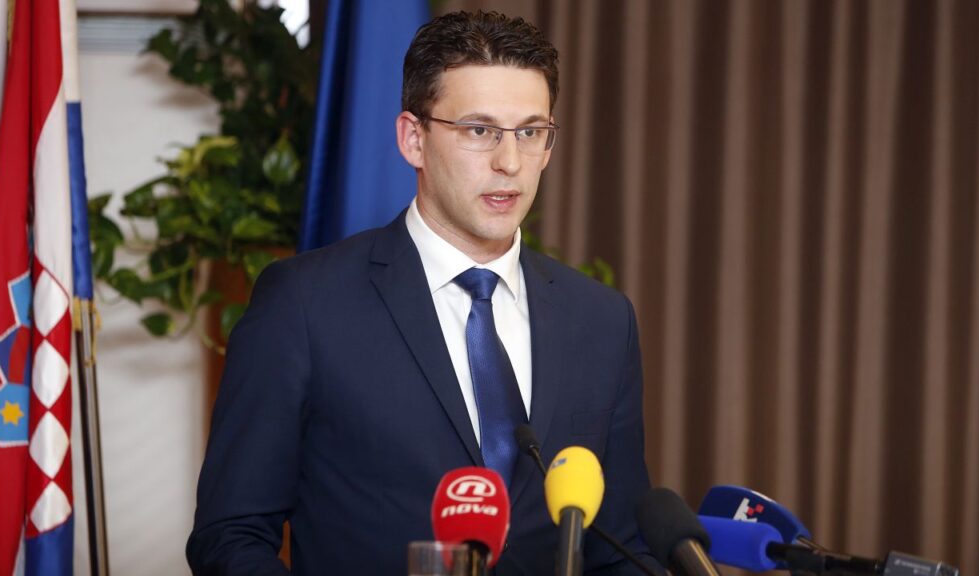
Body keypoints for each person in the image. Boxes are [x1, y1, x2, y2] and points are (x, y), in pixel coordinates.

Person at [187, 10, 656, 575]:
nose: (510, 163)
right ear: (414, 138)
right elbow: (230, 537)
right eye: (480, 131)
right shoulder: (304, 304)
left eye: (530, 132)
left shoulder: (601, 321)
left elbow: (622, 548)